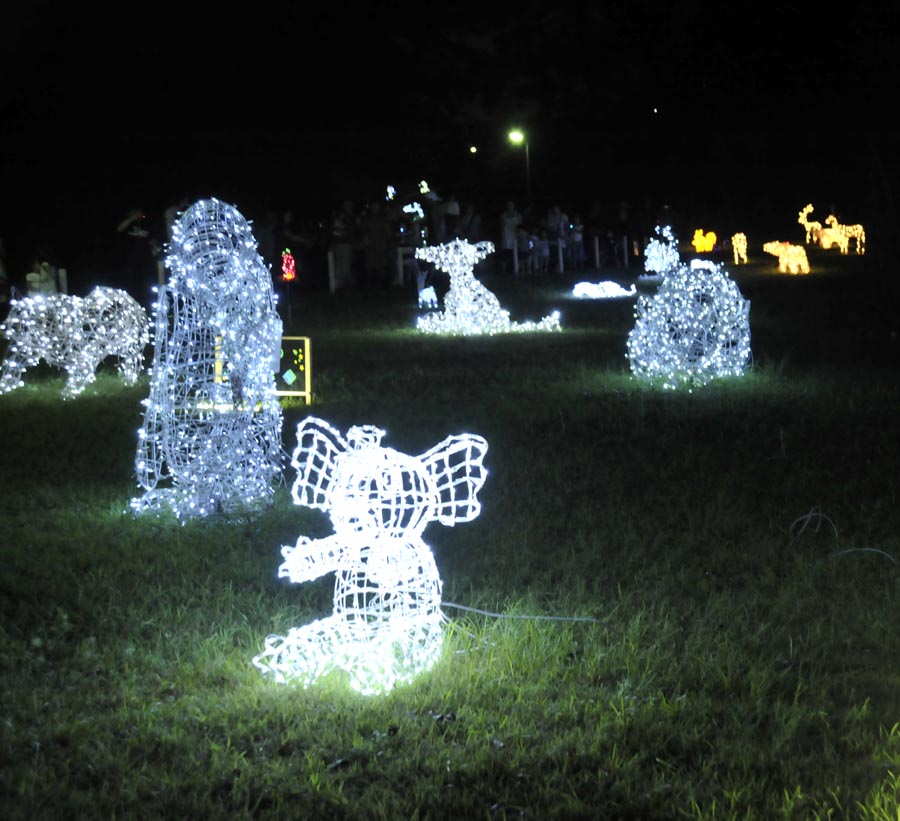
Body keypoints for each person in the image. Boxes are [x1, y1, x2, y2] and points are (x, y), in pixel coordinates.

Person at [498, 200, 522, 274]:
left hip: (515, 237)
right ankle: (504, 271)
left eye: (511, 205)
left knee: (516, 254)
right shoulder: (503, 216)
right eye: (508, 205)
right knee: (505, 255)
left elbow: (521, 226)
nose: (510, 206)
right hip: (506, 237)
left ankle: (517, 269)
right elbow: (501, 227)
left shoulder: (518, 215)